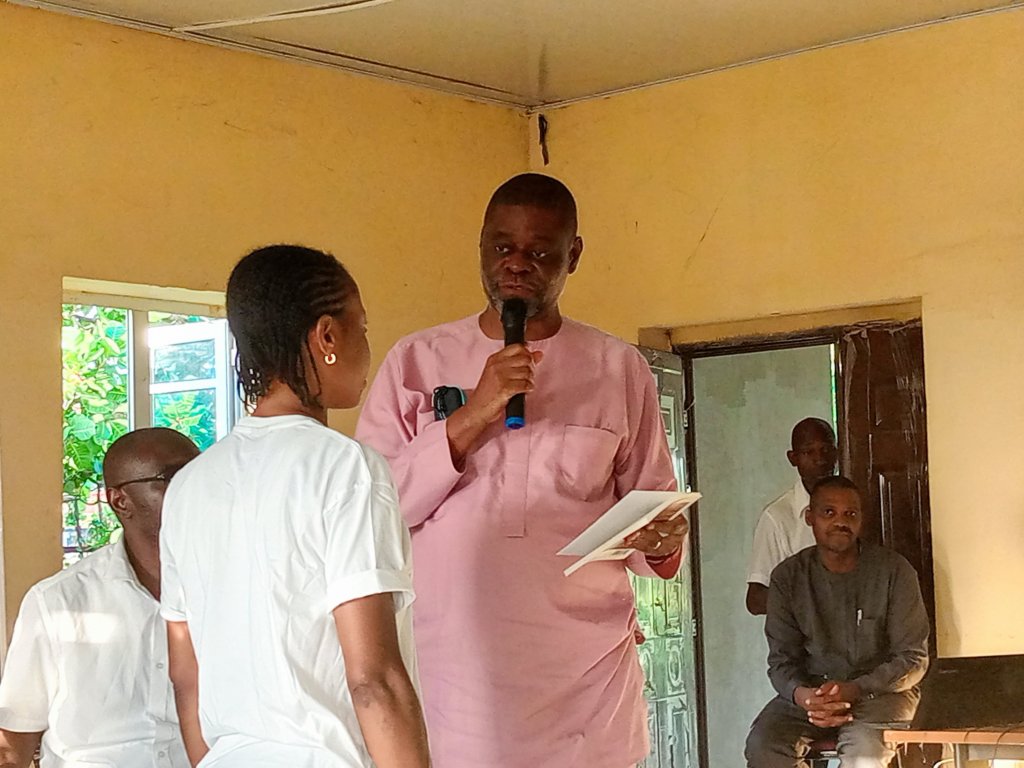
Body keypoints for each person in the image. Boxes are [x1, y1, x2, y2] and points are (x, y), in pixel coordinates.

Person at [356, 173, 688, 768]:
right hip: (454, 679)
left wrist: (662, 544)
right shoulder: (415, 361)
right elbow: (370, 512)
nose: (516, 264)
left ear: (573, 256)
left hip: (588, 689)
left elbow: (652, 515)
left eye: (539, 253)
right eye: (502, 247)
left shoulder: (619, 368)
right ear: (481, 246)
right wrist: (472, 415)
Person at [159, 245, 429, 768]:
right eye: (362, 327)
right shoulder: (346, 467)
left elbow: (186, 675)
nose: (367, 346)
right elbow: (373, 680)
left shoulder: (190, 486)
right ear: (327, 336)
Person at [0, 427, 200, 768]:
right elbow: (13, 742)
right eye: (175, 477)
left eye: (199, 474)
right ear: (121, 501)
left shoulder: (233, 589)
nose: (196, 488)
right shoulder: (58, 602)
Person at [744, 476, 929, 768]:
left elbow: (913, 659)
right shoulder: (787, 578)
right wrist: (803, 695)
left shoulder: (894, 571)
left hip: (881, 694)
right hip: (811, 695)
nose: (840, 522)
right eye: (828, 512)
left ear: (861, 520)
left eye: (850, 514)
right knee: (764, 746)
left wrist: (856, 688)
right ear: (810, 517)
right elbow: (781, 662)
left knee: (864, 756)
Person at [745, 417, 837, 616]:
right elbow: (755, 600)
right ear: (793, 458)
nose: (820, 459)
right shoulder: (777, 518)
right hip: (801, 634)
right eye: (808, 452)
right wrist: (812, 598)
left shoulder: (853, 510)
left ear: (836, 453)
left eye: (826, 450)